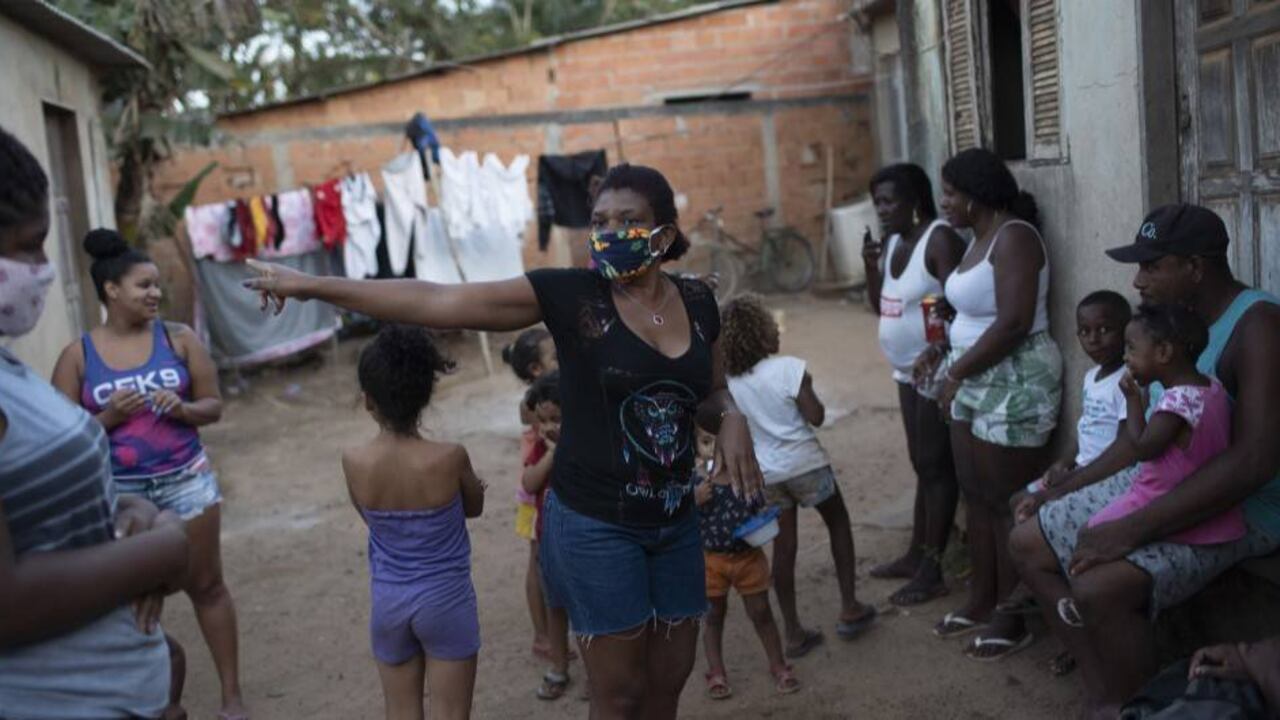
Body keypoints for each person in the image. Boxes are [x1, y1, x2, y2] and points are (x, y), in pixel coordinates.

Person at [243, 163, 763, 720]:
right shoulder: (573, 296)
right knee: (619, 695)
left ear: (661, 235)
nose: (609, 232)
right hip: (596, 525)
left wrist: (731, 415)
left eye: (627, 220)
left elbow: (709, 393)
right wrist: (314, 287)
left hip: (674, 522)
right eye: (599, 221)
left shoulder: (698, 302)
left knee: (667, 685)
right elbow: (436, 300)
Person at [1008, 203, 1280, 719]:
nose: (1137, 281)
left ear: (1196, 268)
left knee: (1097, 585)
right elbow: (1141, 442)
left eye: (1153, 266)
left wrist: (1132, 528)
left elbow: (1255, 461)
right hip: (1168, 479)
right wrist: (1059, 488)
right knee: (1026, 541)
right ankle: (1109, 697)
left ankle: (1140, 706)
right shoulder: (1177, 327)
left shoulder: (1258, 325)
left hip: (1245, 507)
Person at [0, 124, 190, 719]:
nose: (43, 269)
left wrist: (124, 514)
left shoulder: (10, 368)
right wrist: (165, 546)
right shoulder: (77, 356)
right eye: (29, 247)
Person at [52, 229, 248, 719]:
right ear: (111, 290)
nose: (155, 293)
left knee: (207, 586)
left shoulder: (179, 340)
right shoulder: (78, 357)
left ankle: (231, 698)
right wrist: (108, 419)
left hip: (187, 480)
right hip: (118, 494)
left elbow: (214, 406)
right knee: (131, 603)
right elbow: (60, 440)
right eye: (143, 285)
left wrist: (183, 409)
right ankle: (155, 701)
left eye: (156, 285)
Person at [1024, 304, 1243, 630]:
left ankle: (1083, 605)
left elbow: (1141, 447)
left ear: (1165, 351)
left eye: (1131, 348)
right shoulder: (1211, 388)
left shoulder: (1175, 402)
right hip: (1188, 492)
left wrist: (1132, 400)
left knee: (1089, 533)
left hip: (1154, 495)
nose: (1126, 357)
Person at [927, 147, 1062, 660]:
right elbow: (975, 305)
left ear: (977, 195)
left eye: (951, 193)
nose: (944, 202)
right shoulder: (976, 238)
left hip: (1016, 378)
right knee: (976, 495)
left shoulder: (1016, 239)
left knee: (1009, 501)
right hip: (972, 378)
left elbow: (1014, 322)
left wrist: (957, 371)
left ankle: (1015, 615)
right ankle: (982, 599)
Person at [342, 324, 486, 720]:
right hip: (446, 600)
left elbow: (371, 518)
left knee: (400, 711)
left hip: (388, 601)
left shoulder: (354, 461)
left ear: (368, 401)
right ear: (426, 394)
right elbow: (474, 507)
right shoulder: (450, 457)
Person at [720, 294, 875, 658]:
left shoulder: (730, 386)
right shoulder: (789, 368)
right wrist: (805, 391)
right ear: (762, 334)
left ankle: (792, 631)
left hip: (769, 476)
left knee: (784, 548)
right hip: (806, 464)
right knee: (838, 522)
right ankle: (849, 605)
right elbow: (816, 416)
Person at [862, 162, 966, 606]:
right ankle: (915, 553)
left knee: (936, 464)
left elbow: (960, 306)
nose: (882, 210)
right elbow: (880, 306)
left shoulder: (938, 239)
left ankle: (932, 567)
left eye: (889, 201)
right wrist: (871, 266)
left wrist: (940, 350)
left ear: (915, 201)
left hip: (937, 370)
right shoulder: (891, 242)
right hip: (906, 370)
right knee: (921, 462)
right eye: (877, 203)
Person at [694, 429, 800, 700]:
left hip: (748, 558)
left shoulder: (748, 476)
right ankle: (716, 671)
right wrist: (693, 500)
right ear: (696, 447)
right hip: (711, 561)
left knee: (761, 612)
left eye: (722, 442)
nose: (716, 450)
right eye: (707, 443)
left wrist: (764, 508)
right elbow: (680, 519)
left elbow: (762, 508)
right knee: (714, 617)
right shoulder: (697, 482)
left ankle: (778, 665)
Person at [1032, 291, 1132, 495]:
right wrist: (1061, 464)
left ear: (1127, 331)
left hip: (1103, 478)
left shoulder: (1128, 380)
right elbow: (1086, 431)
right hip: (1078, 470)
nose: (1093, 340)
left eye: (1104, 329)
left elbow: (1125, 447)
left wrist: (1074, 478)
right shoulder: (1091, 377)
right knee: (1018, 499)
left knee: (1031, 508)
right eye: (1085, 332)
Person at [500, 328, 558, 662]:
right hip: (536, 491)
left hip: (548, 486)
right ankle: (542, 635)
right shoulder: (532, 402)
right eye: (554, 356)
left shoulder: (551, 390)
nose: (561, 358)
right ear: (536, 369)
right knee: (537, 560)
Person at [520, 370, 575, 700]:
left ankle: (599, 673)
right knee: (556, 607)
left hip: (581, 541)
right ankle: (558, 667)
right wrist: (554, 452)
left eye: (556, 419)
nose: (548, 428)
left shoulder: (584, 447)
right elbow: (529, 483)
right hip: (549, 543)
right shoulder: (543, 449)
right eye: (542, 421)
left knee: (585, 611)